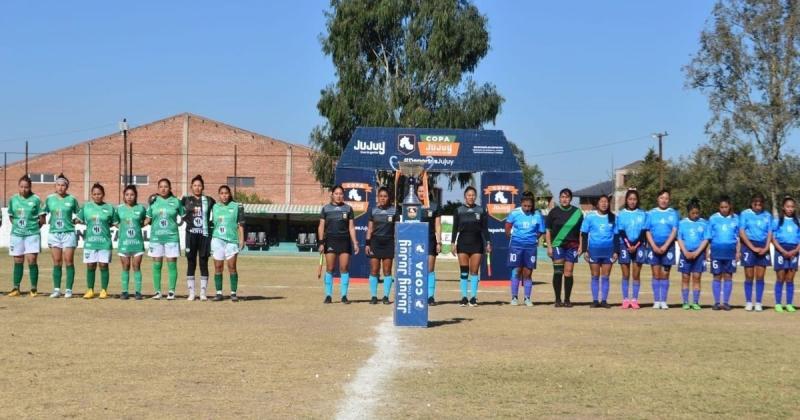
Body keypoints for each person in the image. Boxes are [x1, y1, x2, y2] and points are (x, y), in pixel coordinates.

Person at [318, 185, 359, 304]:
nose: (339, 196)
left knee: (344, 268)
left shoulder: (348, 209)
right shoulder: (325, 209)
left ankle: (344, 296)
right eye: (336, 193)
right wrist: (321, 243)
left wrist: (355, 242)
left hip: (344, 241)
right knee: (330, 268)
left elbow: (351, 227)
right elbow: (321, 227)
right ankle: (328, 296)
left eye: (341, 193)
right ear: (332, 194)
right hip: (330, 240)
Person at [76, 183, 118, 299]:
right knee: (90, 265)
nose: (97, 196)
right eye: (94, 194)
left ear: (103, 194)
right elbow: (77, 220)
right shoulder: (86, 207)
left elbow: (116, 223)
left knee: (103, 265)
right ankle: (90, 290)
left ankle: (104, 290)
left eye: (99, 194)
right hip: (90, 242)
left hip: (104, 242)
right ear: (91, 195)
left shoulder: (109, 208)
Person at [145, 178, 185, 300]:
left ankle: (171, 291)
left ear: (170, 188)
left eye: (166, 186)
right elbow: (148, 219)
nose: (163, 189)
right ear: (158, 188)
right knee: (157, 265)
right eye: (161, 186)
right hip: (156, 238)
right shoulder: (153, 202)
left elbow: (183, 216)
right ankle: (157, 291)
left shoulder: (176, 202)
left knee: (171, 264)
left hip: (171, 237)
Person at [451, 186, 491, 307]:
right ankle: (464, 297)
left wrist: (488, 243)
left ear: (476, 196)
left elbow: (485, 229)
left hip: (477, 243)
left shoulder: (481, 210)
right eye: (469, 195)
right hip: (462, 243)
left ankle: (473, 297)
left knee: (474, 271)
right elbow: (454, 228)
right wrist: (453, 243)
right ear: (465, 196)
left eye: (473, 195)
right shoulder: (459, 210)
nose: (471, 197)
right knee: (464, 272)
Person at [504, 191, 545, 307]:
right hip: (516, 246)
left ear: (533, 205)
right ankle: (514, 297)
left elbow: (541, 230)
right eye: (525, 206)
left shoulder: (537, 215)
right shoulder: (515, 213)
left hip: (530, 247)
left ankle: (527, 298)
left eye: (529, 206)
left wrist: (533, 239)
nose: (527, 208)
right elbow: (507, 226)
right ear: (521, 203)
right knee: (517, 271)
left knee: (528, 273)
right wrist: (511, 236)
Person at [6, 175, 45, 297]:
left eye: (26, 187)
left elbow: (42, 219)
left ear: (30, 187)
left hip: (32, 234)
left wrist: (33, 228)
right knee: (18, 260)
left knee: (32, 260)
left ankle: (33, 288)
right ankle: (16, 288)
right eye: (21, 186)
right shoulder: (13, 199)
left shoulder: (36, 199)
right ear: (19, 186)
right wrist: (19, 227)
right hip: (17, 235)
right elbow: (11, 216)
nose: (24, 189)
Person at [545, 188, 583, 308]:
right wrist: (549, 247)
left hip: (572, 246)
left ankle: (567, 299)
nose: (564, 199)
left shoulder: (578, 212)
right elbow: (548, 231)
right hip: (557, 245)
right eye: (562, 197)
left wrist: (581, 246)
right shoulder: (553, 212)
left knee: (568, 272)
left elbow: (582, 232)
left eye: (567, 197)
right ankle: (557, 299)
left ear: (570, 198)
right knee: (558, 271)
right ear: (559, 198)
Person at [44, 174, 80, 298]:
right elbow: (42, 212)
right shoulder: (49, 199)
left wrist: (76, 220)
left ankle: (69, 290)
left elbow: (80, 213)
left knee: (69, 261)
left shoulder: (72, 199)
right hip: (54, 233)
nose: (60, 187)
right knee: (57, 262)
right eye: (58, 185)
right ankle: (57, 289)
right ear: (55, 186)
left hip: (68, 233)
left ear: (67, 186)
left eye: (63, 185)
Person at [181, 174, 216, 301]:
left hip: (204, 235)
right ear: (191, 187)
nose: (197, 188)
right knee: (191, 262)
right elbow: (177, 209)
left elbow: (217, 212)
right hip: (191, 235)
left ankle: (202, 293)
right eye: (195, 185)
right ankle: (191, 293)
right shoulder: (185, 200)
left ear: (203, 187)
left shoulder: (209, 200)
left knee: (203, 262)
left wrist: (212, 223)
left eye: (199, 185)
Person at [581, 195, 618, 308]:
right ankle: (595, 300)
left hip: (608, 251)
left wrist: (616, 251)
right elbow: (584, 234)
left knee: (606, 276)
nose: (604, 204)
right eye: (602, 201)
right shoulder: (590, 217)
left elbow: (616, 236)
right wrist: (585, 250)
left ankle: (604, 301)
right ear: (597, 203)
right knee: (595, 275)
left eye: (606, 201)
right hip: (594, 250)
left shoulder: (613, 218)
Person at [645, 189, 679, 310]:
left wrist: (665, 245)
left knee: (665, 274)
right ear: (657, 199)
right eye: (661, 198)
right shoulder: (651, 213)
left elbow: (674, 231)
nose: (664, 200)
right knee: (655, 274)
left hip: (668, 247)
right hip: (653, 246)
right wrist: (653, 245)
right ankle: (656, 300)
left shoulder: (673, 213)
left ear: (669, 200)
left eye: (666, 198)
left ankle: (663, 301)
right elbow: (647, 230)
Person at [210, 185, 245, 302]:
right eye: (222, 193)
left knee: (232, 267)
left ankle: (233, 293)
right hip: (217, 240)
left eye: (226, 193)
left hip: (231, 240)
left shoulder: (237, 206)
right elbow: (211, 224)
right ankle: (219, 293)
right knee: (218, 267)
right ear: (219, 195)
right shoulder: (214, 207)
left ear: (230, 194)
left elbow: (240, 224)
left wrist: (242, 239)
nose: (224, 195)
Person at [739, 193, 773, 312]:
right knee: (749, 275)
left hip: (763, 245)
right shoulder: (745, 214)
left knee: (760, 276)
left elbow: (770, 232)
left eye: (760, 204)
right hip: (749, 245)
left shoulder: (768, 215)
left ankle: (758, 302)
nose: (758, 206)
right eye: (755, 204)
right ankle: (749, 302)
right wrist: (752, 247)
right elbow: (742, 232)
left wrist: (766, 246)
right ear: (751, 203)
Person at [705, 196, 740, 311]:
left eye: (726, 207)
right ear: (719, 207)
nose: (724, 209)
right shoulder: (713, 218)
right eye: (722, 207)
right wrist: (707, 251)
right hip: (716, 251)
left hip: (730, 252)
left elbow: (739, 238)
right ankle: (716, 302)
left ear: (729, 206)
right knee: (717, 276)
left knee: (728, 276)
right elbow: (709, 237)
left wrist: (738, 252)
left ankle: (725, 302)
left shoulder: (736, 218)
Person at [615, 189, 648, 309]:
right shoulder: (621, 214)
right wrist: (628, 244)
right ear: (626, 200)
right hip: (624, 245)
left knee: (636, 274)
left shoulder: (643, 214)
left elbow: (644, 231)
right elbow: (621, 231)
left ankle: (634, 299)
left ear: (637, 200)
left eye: (634, 199)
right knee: (625, 274)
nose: (632, 201)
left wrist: (636, 244)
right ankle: (625, 299)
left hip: (639, 245)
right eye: (630, 199)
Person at [366, 187, 397, 305]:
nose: (383, 198)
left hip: (388, 243)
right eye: (381, 196)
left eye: (385, 196)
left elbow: (397, 228)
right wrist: (368, 243)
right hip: (375, 242)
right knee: (374, 270)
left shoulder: (394, 211)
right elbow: (370, 229)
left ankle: (385, 296)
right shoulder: (373, 211)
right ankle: (373, 296)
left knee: (387, 271)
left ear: (389, 198)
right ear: (378, 197)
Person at [677, 198, 708, 310]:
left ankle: (695, 302)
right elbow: (680, 238)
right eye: (693, 213)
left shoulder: (704, 223)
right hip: (685, 254)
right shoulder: (682, 223)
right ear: (688, 212)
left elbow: (705, 239)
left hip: (698, 255)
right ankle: (685, 302)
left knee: (697, 277)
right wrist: (685, 251)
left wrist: (697, 252)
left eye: (697, 213)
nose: (695, 215)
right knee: (685, 277)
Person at [117, 185, 148, 300]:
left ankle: (138, 292)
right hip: (124, 243)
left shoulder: (140, 208)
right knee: (125, 266)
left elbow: (146, 219)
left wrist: (142, 224)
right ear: (124, 196)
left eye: (132, 195)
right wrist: (121, 228)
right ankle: (124, 291)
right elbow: (115, 221)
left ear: (135, 196)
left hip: (137, 243)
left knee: (136, 266)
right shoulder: (119, 209)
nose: (129, 197)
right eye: (127, 195)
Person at [771, 196, 799, 313]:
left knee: (790, 279)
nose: (790, 209)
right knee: (780, 278)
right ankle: (778, 304)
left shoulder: (798, 221)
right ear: (783, 207)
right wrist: (782, 251)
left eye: (792, 207)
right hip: (780, 250)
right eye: (788, 206)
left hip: (794, 251)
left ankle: (789, 304)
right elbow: (772, 237)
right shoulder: (777, 221)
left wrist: (796, 250)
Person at [418, 184, 442, 305]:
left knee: (429, 269)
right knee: (416, 269)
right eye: (420, 191)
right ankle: (418, 294)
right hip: (415, 242)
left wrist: (439, 242)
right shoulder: (412, 205)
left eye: (424, 190)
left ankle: (430, 296)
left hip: (430, 240)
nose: (422, 193)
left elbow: (437, 225)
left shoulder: (434, 206)